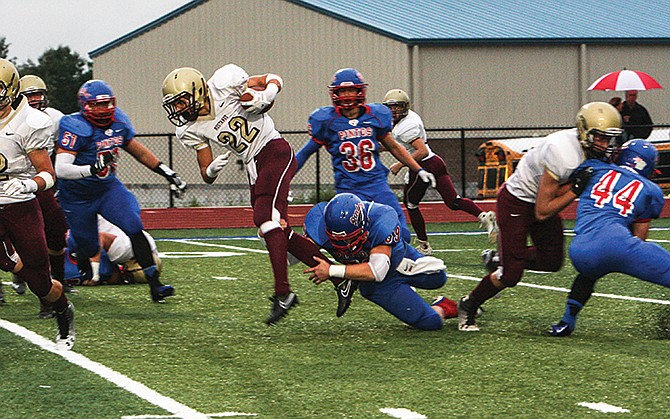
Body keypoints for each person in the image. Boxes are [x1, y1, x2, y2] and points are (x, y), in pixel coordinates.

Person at [161, 64, 342, 324]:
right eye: (174, 105)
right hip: (253, 166)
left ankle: (283, 293)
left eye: (180, 102)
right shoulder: (189, 129)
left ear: (198, 90)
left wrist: (266, 95)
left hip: (274, 150)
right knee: (276, 230)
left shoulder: (223, 82)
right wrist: (211, 169)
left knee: (266, 219)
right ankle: (339, 278)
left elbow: (273, 78)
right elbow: (205, 174)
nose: (178, 110)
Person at [457, 102, 625, 332]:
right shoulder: (564, 153)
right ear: (585, 133)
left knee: (552, 261)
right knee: (510, 275)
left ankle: (498, 259)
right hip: (518, 200)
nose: (606, 145)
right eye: (600, 138)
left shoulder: (589, 149)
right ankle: (469, 304)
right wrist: (576, 188)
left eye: (609, 139)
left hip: (540, 198)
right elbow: (543, 210)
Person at [55, 79, 184, 303]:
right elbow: (62, 169)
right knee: (88, 246)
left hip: (107, 189)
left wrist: (167, 172)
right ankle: (73, 268)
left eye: (106, 104)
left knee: (134, 226)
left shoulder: (119, 122)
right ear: (84, 105)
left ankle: (155, 285)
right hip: (77, 198)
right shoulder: (74, 126)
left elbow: (139, 152)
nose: (102, 110)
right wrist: (92, 169)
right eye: (96, 105)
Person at [295, 69, 436, 244]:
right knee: (349, 240)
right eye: (342, 91)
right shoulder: (327, 121)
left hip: (377, 186)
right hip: (349, 191)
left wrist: (418, 169)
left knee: (401, 234)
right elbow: (306, 152)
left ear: (360, 91)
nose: (347, 95)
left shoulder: (375, 115)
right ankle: (305, 248)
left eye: (351, 90)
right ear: (335, 93)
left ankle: (397, 267)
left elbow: (393, 146)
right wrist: (284, 177)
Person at [550, 140, 667, 336]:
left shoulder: (594, 168)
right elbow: (639, 237)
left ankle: (566, 322)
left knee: (589, 273)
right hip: (617, 244)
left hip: (580, 250)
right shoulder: (651, 190)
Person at [0, 59, 75, 349]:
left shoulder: (28, 122)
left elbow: (48, 174)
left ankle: (62, 311)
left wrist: (30, 184)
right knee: (7, 262)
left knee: (40, 283)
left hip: (21, 204)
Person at [303, 193, 460, 329]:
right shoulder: (318, 225)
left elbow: (377, 271)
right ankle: (443, 307)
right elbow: (298, 252)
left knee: (439, 277)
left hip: (398, 261)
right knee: (432, 322)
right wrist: (282, 238)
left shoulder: (381, 218)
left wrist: (331, 270)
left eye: (350, 238)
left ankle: (411, 287)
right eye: (337, 239)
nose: (346, 245)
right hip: (380, 285)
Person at [382, 88, 498, 255]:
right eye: (391, 107)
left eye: (397, 107)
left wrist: (400, 164)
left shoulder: (405, 126)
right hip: (436, 162)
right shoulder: (407, 119)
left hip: (422, 166)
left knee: (411, 204)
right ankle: (483, 216)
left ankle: (424, 246)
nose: (394, 111)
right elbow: (396, 145)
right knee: (453, 201)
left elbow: (420, 151)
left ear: (405, 107)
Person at [12, 75, 72, 320]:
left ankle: (56, 282)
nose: (36, 99)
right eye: (30, 94)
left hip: (39, 183)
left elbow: (58, 153)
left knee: (56, 230)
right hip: (12, 185)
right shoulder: (12, 119)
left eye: (39, 93)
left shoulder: (55, 118)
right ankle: (44, 299)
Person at [64, 216, 161, 287]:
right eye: (130, 276)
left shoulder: (150, 246)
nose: (127, 276)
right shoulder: (122, 252)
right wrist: (95, 275)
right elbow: (99, 238)